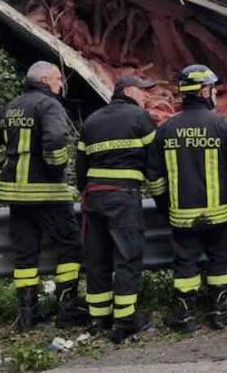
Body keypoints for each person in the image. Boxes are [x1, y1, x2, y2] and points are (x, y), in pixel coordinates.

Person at [0, 60, 86, 330]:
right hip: (47, 192)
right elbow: (55, 140)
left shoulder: (11, 106)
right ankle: (67, 309)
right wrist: (56, 166)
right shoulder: (50, 105)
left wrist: (7, 163)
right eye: (59, 79)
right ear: (46, 80)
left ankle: (27, 315)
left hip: (15, 193)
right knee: (70, 246)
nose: (61, 85)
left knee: (26, 255)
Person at [148, 64, 227, 332]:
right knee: (219, 261)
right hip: (219, 213)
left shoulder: (166, 130)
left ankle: (184, 316)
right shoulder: (222, 126)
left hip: (182, 214)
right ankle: (221, 312)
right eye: (212, 88)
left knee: (185, 264)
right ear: (204, 90)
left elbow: (155, 178)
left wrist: (164, 207)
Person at [76, 75, 162, 342]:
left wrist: (86, 192)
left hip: (93, 197)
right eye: (142, 91)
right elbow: (155, 164)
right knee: (127, 256)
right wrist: (161, 199)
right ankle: (125, 320)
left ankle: (98, 317)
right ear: (128, 91)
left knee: (97, 258)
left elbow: (80, 166)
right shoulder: (140, 119)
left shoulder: (91, 120)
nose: (146, 96)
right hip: (123, 197)